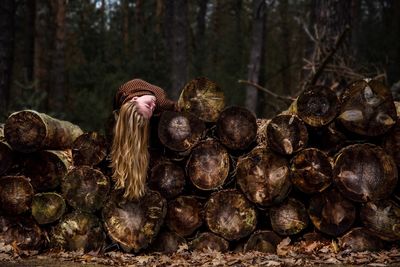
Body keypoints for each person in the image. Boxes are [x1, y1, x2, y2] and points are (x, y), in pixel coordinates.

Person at [111, 79, 177, 200]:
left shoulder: (127, 90)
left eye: (148, 106)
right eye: (151, 109)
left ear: (134, 98)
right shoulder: (158, 103)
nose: (153, 106)